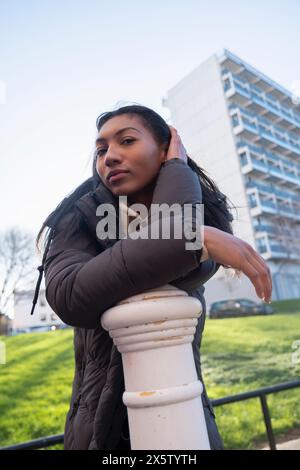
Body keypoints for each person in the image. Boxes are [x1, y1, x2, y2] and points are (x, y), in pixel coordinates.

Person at [33, 104, 272, 450]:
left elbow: (177, 266)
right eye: (101, 150)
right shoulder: (79, 218)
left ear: (165, 149)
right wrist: (196, 237)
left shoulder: (201, 215)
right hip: (97, 435)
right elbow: (71, 295)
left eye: (126, 141)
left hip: (186, 419)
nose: (109, 157)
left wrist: (177, 170)